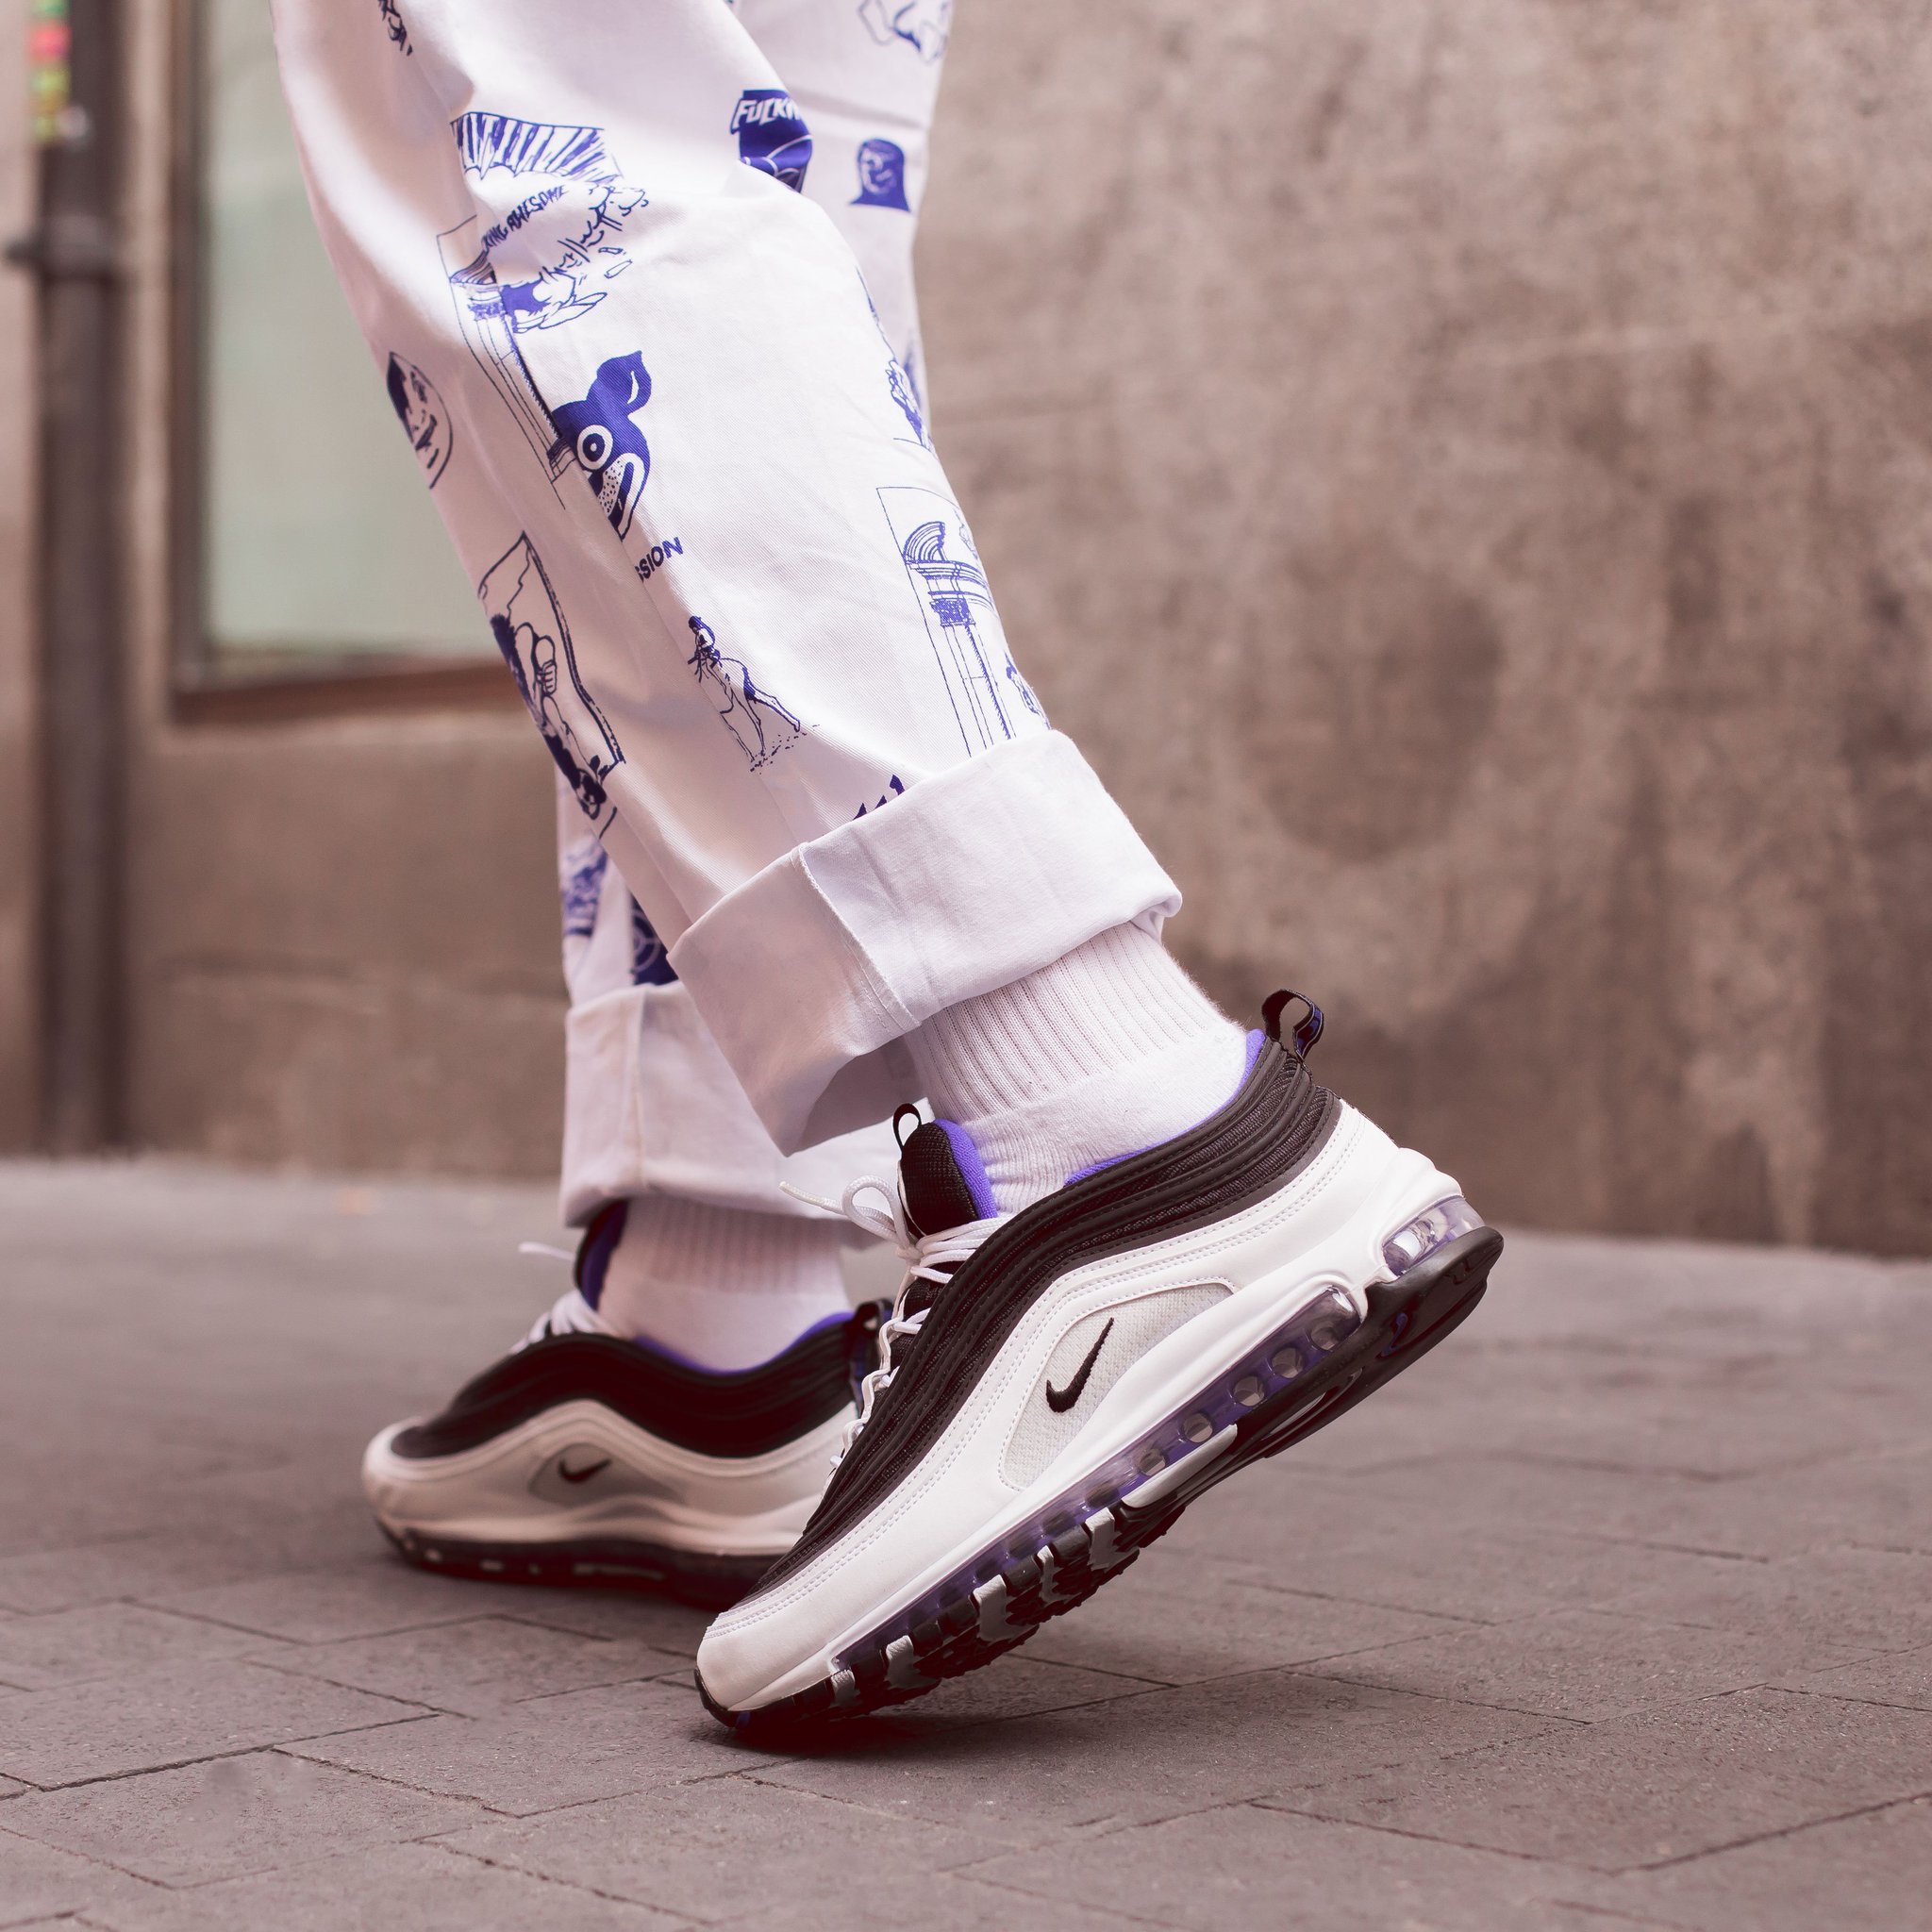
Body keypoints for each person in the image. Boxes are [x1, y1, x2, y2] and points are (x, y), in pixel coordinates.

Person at [272, 0, 1502, 1731]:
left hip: (1112, 1127)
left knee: (529, 133)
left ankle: (1108, 1117)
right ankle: (714, 1324)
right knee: (769, 160)